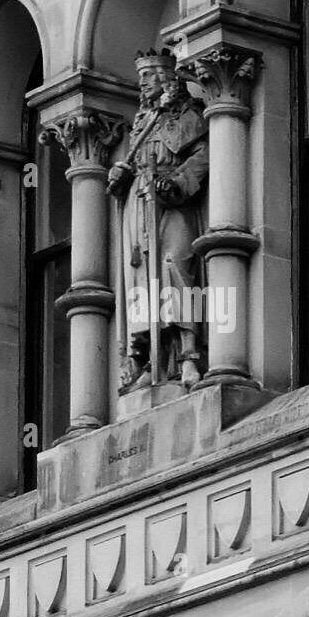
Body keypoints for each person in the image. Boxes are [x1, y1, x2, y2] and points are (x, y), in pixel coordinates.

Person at [108, 49, 209, 391]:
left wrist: (176, 183)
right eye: (142, 78)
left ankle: (190, 354)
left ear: (168, 80)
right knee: (142, 280)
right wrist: (120, 178)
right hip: (141, 202)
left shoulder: (189, 116)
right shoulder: (141, 122)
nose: (144, 83)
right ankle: (152, 357)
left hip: (172, 200)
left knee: (177, 266)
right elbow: (131, 167)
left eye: (150, 76)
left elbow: (202, 157)